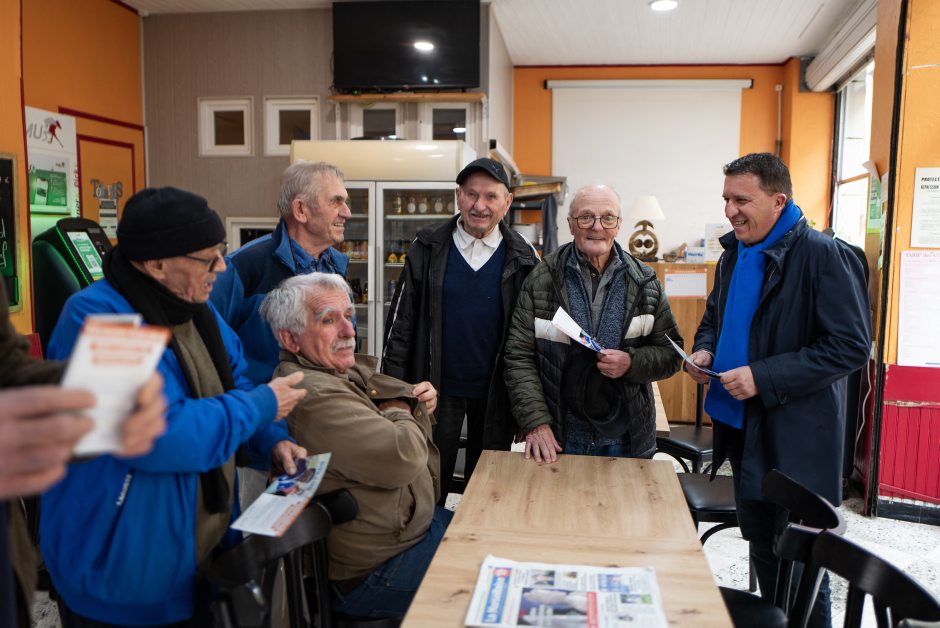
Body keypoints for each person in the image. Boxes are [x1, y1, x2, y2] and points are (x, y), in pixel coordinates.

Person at [41, 187, 308, 626]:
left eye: (221, 252)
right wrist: (263, 406)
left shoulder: (193, 307)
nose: (221, 267)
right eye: (207, 258)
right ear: (156, 264)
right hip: (122, 568)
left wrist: (272, 439)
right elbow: (158, 437)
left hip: (193, 550)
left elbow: (233, 382)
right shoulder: (101, 320)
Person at [684, 153, 871, 628]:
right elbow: (715, 318)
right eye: (727, 199)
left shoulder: (823, 255)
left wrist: (762, 377)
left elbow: (850, 347)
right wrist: (706, 350)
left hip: (796, 442)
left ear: (778, 201)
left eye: (741, 200)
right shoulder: (734, 252)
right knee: (764, 550)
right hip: (743, 430)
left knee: (801, 567)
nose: (730, 210)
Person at [260, 272, 447, 619]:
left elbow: (401, 399)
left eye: (349, 315)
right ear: (290, 338)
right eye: (328, 320)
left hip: (408, 533)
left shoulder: (334, 372)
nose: (349, 331)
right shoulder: (314, 394)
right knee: (494, 568)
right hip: (377, 569)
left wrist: (410, 403)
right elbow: (403, 456)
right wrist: (401, 409)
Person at [0, 280, 166, 628]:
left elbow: (8, 367)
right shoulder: (84, 307)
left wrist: (100, 398)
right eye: (206, 259)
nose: (219, 267)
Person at [382, 157, 540, 499]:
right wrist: (394, 393)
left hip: (497, 393)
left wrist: (531, 413)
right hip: (433, 390)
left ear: (507, 202)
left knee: (488, 488)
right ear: (458, 196)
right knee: (427, 482)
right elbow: (400, 325)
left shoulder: (524, 256)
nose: (479, 206)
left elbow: (536, 339)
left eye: (490, 196)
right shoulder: (427, 246)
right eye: (471, 194)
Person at [503, 184, 682, 464]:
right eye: (585, 217)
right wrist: (535, 422)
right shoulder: (541, 279)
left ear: (618, 225)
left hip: (627, 438)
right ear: (571, 225)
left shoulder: (645, 282)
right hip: (558, 439)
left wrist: (632, 363)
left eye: (607, 218)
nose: (597, 226)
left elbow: (671, 355)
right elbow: (518, 356)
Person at [211, 161, 352, 385]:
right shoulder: (243, 266)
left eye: (345, 202)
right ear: (301, 210)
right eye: (336, 201)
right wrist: (253, 398)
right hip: (267, 403)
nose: (347, 213)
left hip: (327, 398)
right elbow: (205, 341)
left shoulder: (337, 266)